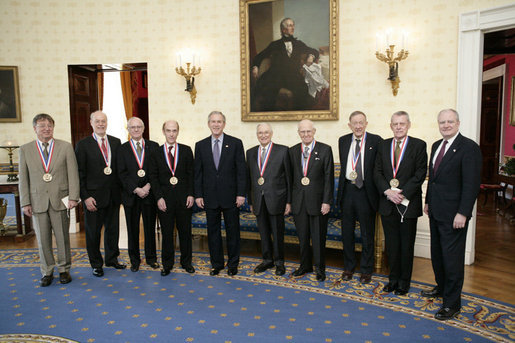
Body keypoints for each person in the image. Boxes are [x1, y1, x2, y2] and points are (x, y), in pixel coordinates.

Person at [422, 109, 482, 321]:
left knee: (452, 260)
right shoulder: (437, 146)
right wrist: (427, 201)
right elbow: (433, 179)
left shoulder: (469, 148)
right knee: (437, 255)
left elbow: (471, 185)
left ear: (458, 123)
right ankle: (441, 288)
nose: (445, 125)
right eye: (442, 122)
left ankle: (452, 304)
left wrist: (463, 213)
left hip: (455, 216)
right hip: (436, 211)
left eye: (449, 121)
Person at [19, 113, 80, 286]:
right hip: (37, 202)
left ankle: (64, 269)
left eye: (49, 125)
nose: (46, 128)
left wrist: (74, 197)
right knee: (42, 239)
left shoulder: (65, 147)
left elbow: (73, 174)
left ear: (53, 127)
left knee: (62, 238)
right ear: (35, 128)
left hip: (60, 200)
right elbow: (23, 178)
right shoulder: (25, 149)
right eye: (42, 125)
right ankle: (47, 271)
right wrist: (25, 202)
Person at [374, 111, 427, 295]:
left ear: (408, 125)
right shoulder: (383, 145)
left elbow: (420, 173)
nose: (398, 127)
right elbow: (377, 172)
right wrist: (388, 192)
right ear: (391, 126)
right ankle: (392, 280)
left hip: (408, 205)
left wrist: (402, 194)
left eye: (402, 124)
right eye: (395, 124)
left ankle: (404, 282)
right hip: (388, 203)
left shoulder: (419, 145)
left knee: (406, 245)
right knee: (392, 245)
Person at [194, 111, 246, 276]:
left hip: (231, 196)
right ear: (208, 124)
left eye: (219, 122)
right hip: (209, 197)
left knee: (233, 232)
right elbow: (198, 173)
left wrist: (241, 194)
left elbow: (241, 172)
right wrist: (198, 195)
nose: (216, 124)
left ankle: (232, 264)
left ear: (224, 124)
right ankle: (216, 264)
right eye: (213, 122)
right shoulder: (200, 145)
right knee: (213, 232)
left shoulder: (235, 143)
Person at [75, 110, 124, 277]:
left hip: (113, 196)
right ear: (91, 123)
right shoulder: (83, 145)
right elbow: (79, 174)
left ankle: (112, 259)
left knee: (113, 230)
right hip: (93, 198)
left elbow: (119, 171)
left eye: (103, 121)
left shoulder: (116, 142)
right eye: (97, 121)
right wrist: (85, 197)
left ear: (107, 123)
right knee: (93, 232)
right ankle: (96, 263)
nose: (101, 124)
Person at [337, 111, 382, 284]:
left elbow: (378, 168)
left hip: (366, 192)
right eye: (354, 123)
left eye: (361, 122)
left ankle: (366, 269)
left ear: (366, 124)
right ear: (349, 125)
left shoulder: (375, 141)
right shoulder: (342, 140)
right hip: (347, 191)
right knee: (346, 232)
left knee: (366, 233)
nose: (358, 126)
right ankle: (348, 267)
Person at [289, 119, 334, 281]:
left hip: (318, 203)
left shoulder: (325, 149)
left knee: (318, 237)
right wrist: (290, 202)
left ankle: (320, 268)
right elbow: (290, 179)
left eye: (308, 131)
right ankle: (305, 265)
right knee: (302, 237)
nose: (306, 134)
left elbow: (329, 178)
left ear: (314, 131)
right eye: (302, 131)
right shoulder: (292, 151)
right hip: (299, 202)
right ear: (298, 133)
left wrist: (327, 201)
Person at [150, 120, 195, 276]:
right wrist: (158, 198)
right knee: (167, 234)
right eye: (168, 130)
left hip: (184, 199)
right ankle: (167, 264)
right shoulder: (156, 152)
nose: (171, 133)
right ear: (163, 131)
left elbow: (191, 175)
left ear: (178, 132)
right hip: (165, 201)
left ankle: (186, 262)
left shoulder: (186, 150)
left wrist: (191, 194)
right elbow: (153, 178)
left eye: (174, 130)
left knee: (185, 233)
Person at [246, 123, 292, 276]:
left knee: (278, 233)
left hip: (277, 199)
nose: (263, 135)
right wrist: (251, 201)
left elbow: (289, 179)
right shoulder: (250, 152)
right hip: (258, 200)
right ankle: (267, 260)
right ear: (257, 134)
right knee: (263, 232)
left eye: (266, 132)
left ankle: (279, 262)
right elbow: (250, 179)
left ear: (271, 133)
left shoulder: (283, 151)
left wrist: (288, 202)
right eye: (260, 133)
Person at [117, 117, 160, 272]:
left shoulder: (154, 147)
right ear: (128, 129)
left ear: (143, 129)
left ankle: (151, 259)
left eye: (138, 127)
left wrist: (148, 186)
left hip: (149, 195)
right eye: (132, 127)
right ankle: (134, 260)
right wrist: (136, 189)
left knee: (150, 229)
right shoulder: (121, 149)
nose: (136, 129)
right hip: (131, 196)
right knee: (132, 229)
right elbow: (121, 174)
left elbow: (156, 171)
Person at [251, 18, 319, 111]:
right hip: (275, 75)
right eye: (290, 25)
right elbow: (259, 56)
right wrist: (255, 67)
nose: (293, 27)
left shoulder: (299, 44)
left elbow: (314, 51)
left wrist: (311, 56)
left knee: (302, 92)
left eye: (293, 25)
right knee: (267, 94)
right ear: (283, 30)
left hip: (293, 76)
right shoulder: (275, 44)